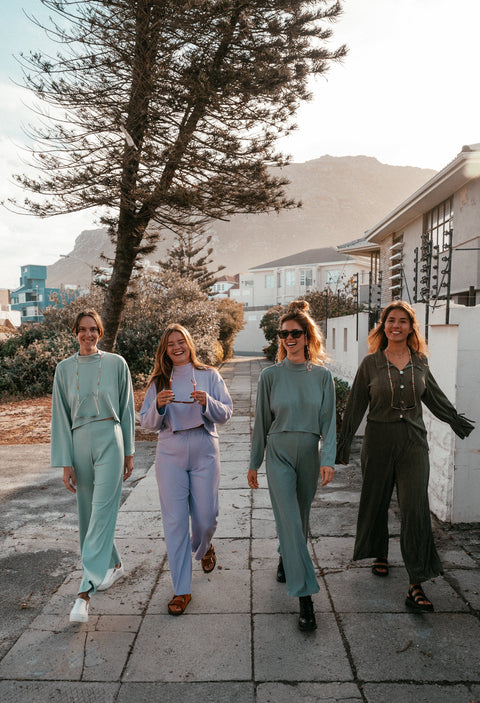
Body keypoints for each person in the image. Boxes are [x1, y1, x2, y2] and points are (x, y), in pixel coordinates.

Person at [336, 300, 474, 612]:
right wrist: (342, 445)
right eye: (390, 320)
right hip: (379, 440)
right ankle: (379, 552)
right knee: (377, 500)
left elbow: (435, 397)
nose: (396, 326)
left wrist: (457, 422)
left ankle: (416, 583)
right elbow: (355, 405)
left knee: (415, 509)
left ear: (411, 327)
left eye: (402, 321)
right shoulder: (370, 364)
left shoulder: (420, 362)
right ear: (382, 326)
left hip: (413, 443)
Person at [247, 300, 336, 631]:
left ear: (307, 335)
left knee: (299, 519)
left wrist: (327, 459)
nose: (288, 338)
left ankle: (286, 555)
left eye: (295, 333)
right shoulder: (270, 376)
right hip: (279, 453)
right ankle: (305, 597)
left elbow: (329, 424)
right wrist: (255, 462)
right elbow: (260, 423)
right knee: (289, 517)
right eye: (283, 334)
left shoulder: (323, 376)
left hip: (309, 455)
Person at [140, 323, 232, 616]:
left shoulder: (209, 375)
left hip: (204, 446)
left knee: (206, 517)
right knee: (175, 522)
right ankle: (181, 590)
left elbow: (226, 411)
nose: (177, 347)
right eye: (170, 344)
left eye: (181, 342)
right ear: (164, 350)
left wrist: (209, 402)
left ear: (189, 344)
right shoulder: (159, 380)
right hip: (170, 450)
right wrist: (158, 405)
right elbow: (146, 422)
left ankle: (204, 546)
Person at [51, 309, 135, 623]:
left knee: (102, 510)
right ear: (75, 332)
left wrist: (128, 451)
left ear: (100, 331)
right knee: (88, 515)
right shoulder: (63, 368)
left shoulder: (116, 364)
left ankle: (84, 593)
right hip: (77, 441)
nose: (88, 335)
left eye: (93, 329)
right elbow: (59, 416)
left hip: (110, 438)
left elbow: (127, 408)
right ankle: (113, 565)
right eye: (83, 330)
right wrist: (64, 462)